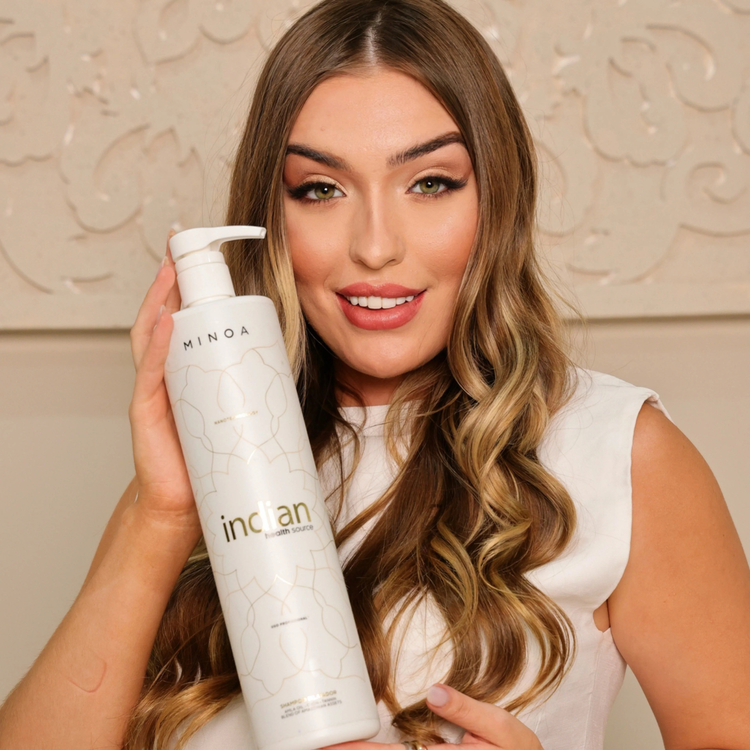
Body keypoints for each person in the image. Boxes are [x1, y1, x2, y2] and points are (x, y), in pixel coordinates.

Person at [1, 0, 749, 748]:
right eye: (321, 189)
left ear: (498, 198)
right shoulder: (220, 461)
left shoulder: (618, 454)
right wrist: (161, 514)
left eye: (430, 183)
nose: (375, 246)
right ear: (272, 216)